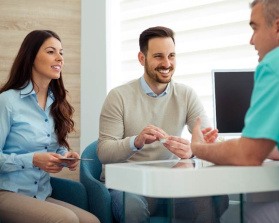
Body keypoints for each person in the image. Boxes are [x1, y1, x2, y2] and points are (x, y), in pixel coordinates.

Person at [98, 26, 228, 223]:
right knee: (133, 209)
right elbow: (104, 152)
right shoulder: (119, 96)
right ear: (142, 58)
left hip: (168, 184)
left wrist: (194, 150)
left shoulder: (186, 95)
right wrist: (136, 142)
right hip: (130, 185)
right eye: (158, 56)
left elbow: (210, 139)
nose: (167, 63)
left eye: (171, 56)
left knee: (215, 199)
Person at [191, 0, 279, 222]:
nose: (251, 40)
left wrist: (198, 148)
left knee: (249, 213)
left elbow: (248, 156)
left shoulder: (273, 66)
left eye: (255, 28)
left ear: (277, 27)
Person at [0, 30, 100, 223]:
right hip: (7, 192)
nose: (59, 58)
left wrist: (64, 156)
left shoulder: (57, 103)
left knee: (92, 221)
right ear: (31, 56)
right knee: (67, 219)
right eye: (51, 51)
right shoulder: (7, 102)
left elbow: (52, 147)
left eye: (61, 52)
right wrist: (34, 160)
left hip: (41, 194)